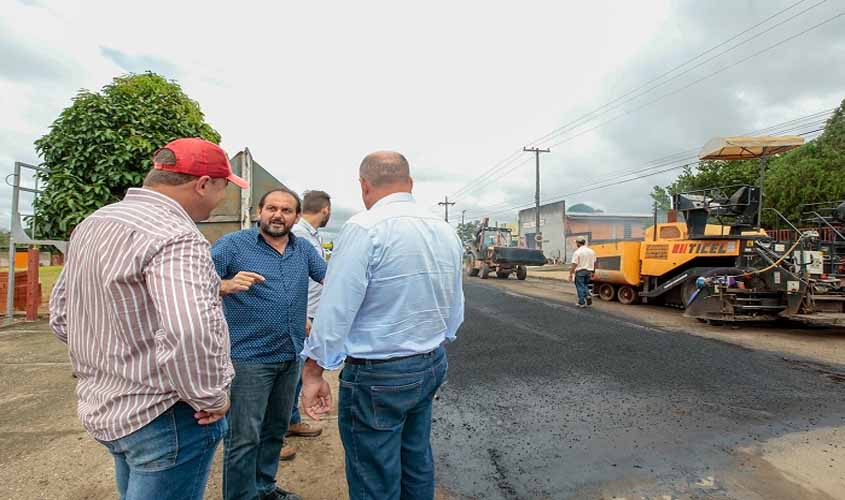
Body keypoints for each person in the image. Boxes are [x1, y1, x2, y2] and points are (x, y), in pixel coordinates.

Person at [49, 138, 247, 500]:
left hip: (108, 407)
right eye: (223, 188)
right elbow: (189, 330)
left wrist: (113, 359)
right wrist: (210, 397)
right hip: (167, 414)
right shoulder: (178, 236)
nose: (222, 199)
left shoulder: (93, 223)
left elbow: (62, 315)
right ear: (203, 184)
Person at [300, 151, 465, 500]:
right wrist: (439, 339)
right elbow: (455, 303)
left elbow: (336, 308)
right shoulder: (444, 229)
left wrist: (314, 370)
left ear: (364, 185)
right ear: (410, 183)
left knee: (374, 474)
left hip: (379, 375)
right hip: (430, 362)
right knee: (416, 460)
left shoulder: (364, 228)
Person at [212, 187, 327, 500]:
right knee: (243, 438)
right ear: (259, 212)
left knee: (275, 430)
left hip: (290, 355)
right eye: (271, 208)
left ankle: (264, 488)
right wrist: (225, 284)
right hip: (249, 358)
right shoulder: (233, 245)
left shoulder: (303, 249)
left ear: (297, 217)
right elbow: (194, 282)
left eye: (286, 210)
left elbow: (330, 278)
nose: (278, 215)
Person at [287, 190, 332, 442]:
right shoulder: (298, 235)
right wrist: (300, 313)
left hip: (312, 311)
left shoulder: (312, 235)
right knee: (289, 374)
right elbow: (288, 277)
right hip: (302, 314)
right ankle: (276, 433)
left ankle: (290, 421)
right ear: (326, 209)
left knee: (298, 373)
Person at [569, 235, 597, 307]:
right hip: (589, 271)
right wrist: (593, 272)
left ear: (578, 243)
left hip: (580, 271)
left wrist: (571, 274)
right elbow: (594, 263)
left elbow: (574, 264)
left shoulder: (577, 252)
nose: (576, 244)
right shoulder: (591, 251)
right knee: (585, 285)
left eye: (576, 243)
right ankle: (587, 295)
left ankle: (581, 302)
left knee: (580, 286)